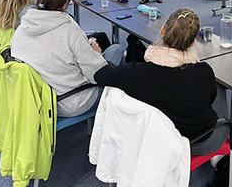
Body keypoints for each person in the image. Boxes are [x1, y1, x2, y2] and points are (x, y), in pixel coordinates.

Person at [94, 8, 225, 153]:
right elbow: (211, 99)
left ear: (162, 30)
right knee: (218, 88)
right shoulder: (204, 71)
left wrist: (98, 54)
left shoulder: (135, 73)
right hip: (203, 139)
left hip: (159, 142)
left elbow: (100, 75)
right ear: (193, 41)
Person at [11, 0, 125, 117]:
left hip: (39, 101)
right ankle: (119, 113)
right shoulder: (69, 31)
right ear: (65, 5)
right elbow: (96, 75)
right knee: (116, 50)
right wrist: (97, 55)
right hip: (72, 102)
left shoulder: (19, 32)